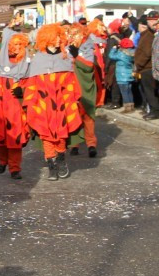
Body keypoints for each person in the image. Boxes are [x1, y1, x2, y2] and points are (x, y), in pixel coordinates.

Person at [24, 24, 82, 180]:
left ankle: (62, 160)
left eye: (59, 36)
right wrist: (29, 104)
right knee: (46, 135)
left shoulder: (65, 57)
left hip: (62, 104)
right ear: (47, 39)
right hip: (43, 105)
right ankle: (52, 166)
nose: (59, 40)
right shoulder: (38, 60)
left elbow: (72, 82)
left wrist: (74, 98)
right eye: (55, 37)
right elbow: (32, 84)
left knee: (61, 134)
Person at [0, 26, 31, 178]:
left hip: (16, 108)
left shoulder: (26, 65)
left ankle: (15, 168)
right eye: (15, 45)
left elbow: (32, 85)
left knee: (15, 138)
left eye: (20, 45)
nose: (17, 48)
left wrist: (23, 92)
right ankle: (3, 161)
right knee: (0, 138)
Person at [69, 20, 107, 157]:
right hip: (73, 87)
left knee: (88, 116)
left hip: (86, 86)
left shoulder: (87, 45)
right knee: (74, 115)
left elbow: (88, 65)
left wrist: (76, 57)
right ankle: (74, 144)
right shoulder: (69, 46)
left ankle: (91, 144)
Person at [134, 13, 159, 119]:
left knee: (150, 91)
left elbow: (146, 53)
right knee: (148, 91)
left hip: (147, 67)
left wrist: (139, 64)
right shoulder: (145, 35)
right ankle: (153, 110)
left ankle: (155, 111)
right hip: (145, 67)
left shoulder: (148, 36)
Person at [110, 37, 137, 113]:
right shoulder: (133, 53)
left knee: (124, 92)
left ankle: (127, 108)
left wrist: (114, 48)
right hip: (129, 75)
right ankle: (132, 106)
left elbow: (111, 56)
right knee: (129, 91)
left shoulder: (121, 54)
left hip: (122, 76)